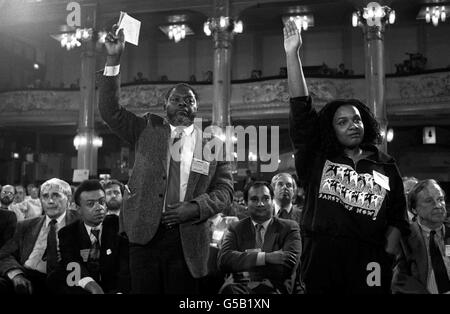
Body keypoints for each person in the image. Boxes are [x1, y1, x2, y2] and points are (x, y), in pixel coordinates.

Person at [98, 25, 233, 294]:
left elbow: (225, 191)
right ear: (165, 107)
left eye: (190, 100)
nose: (183, 103)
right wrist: (113, 59)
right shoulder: (146, 129)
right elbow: (110, 111)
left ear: (196, 108)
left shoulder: (214, 143)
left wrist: (195, 207)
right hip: (144, 235)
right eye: (176, 99)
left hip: (188, 238)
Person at [284, 20, 409, 294]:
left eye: (356, 119)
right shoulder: (318, 158)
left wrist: (384, 250)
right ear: (331, 130)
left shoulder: (385, 163)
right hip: (322, 256)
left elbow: (399, 215)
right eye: (342, 122)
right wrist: (292, 56)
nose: (352, 125)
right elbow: (302, 112)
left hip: (370, 259)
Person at [218, 181, 301, 294]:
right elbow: (224, 260)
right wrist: (266, 257)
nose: (260, 204)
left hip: (274, 288)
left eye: (266, 198)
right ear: (246, 203)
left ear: (273, 201)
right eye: (254, 199)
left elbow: (287, 266)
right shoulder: (235, 228)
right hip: (238, 289)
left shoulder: (289, 227)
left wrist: (244, 267)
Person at [0, 178, 78, 294]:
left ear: (69, 198)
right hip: (27, 278)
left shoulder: (80, 223)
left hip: (64, 280)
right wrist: (16, 275)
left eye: (56, 195)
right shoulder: (26, 225)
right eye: (45, 196)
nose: (50, 201)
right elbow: (5, 254)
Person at [56, 180, 129, 294]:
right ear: (78, 208)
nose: (99, 207)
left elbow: (125, 266)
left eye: (102, 202)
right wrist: (93, 287)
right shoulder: (67, 233)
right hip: (84, 288)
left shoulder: (118, 225)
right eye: (91, 204)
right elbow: (72, 264)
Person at [392, 179, 450, 294]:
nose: (438, 205)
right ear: (414, 209)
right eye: (429, 201)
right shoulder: (403, 239)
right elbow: (399, 280)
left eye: (440, 199)